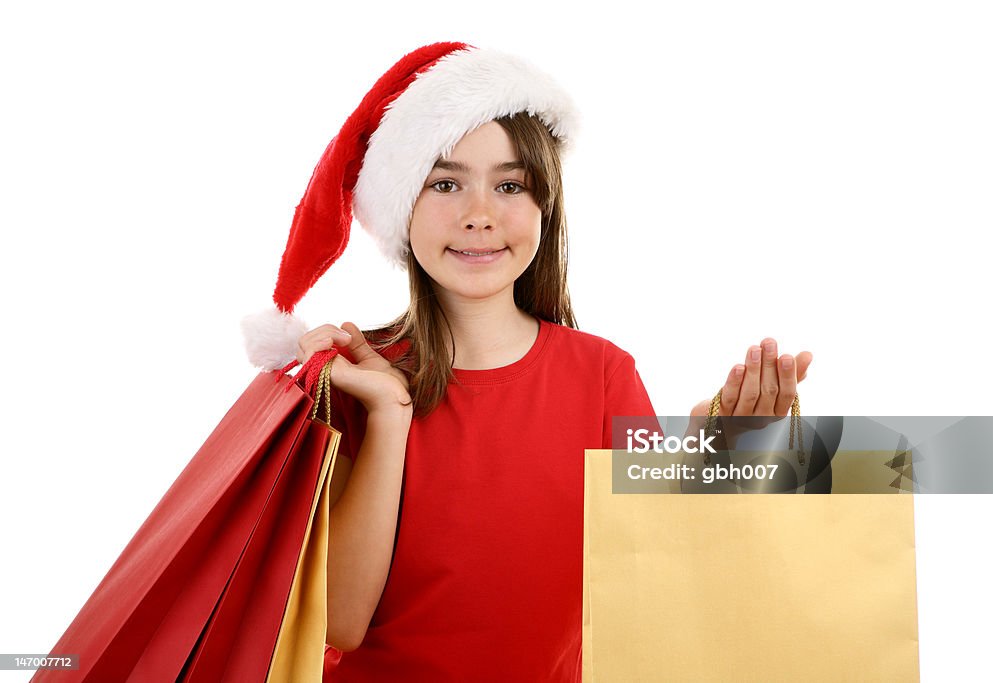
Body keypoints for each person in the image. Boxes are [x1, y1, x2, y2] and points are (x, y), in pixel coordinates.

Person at [241, 42, 811, 682]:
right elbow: (340, 622)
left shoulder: (602, 375)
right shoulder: (352, 379)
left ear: (545, 208)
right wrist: (391, 416)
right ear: (403, 208)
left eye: (509, 185)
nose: (479, 214)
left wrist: (724, 456)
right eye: (445, 182)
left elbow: (655, 572)